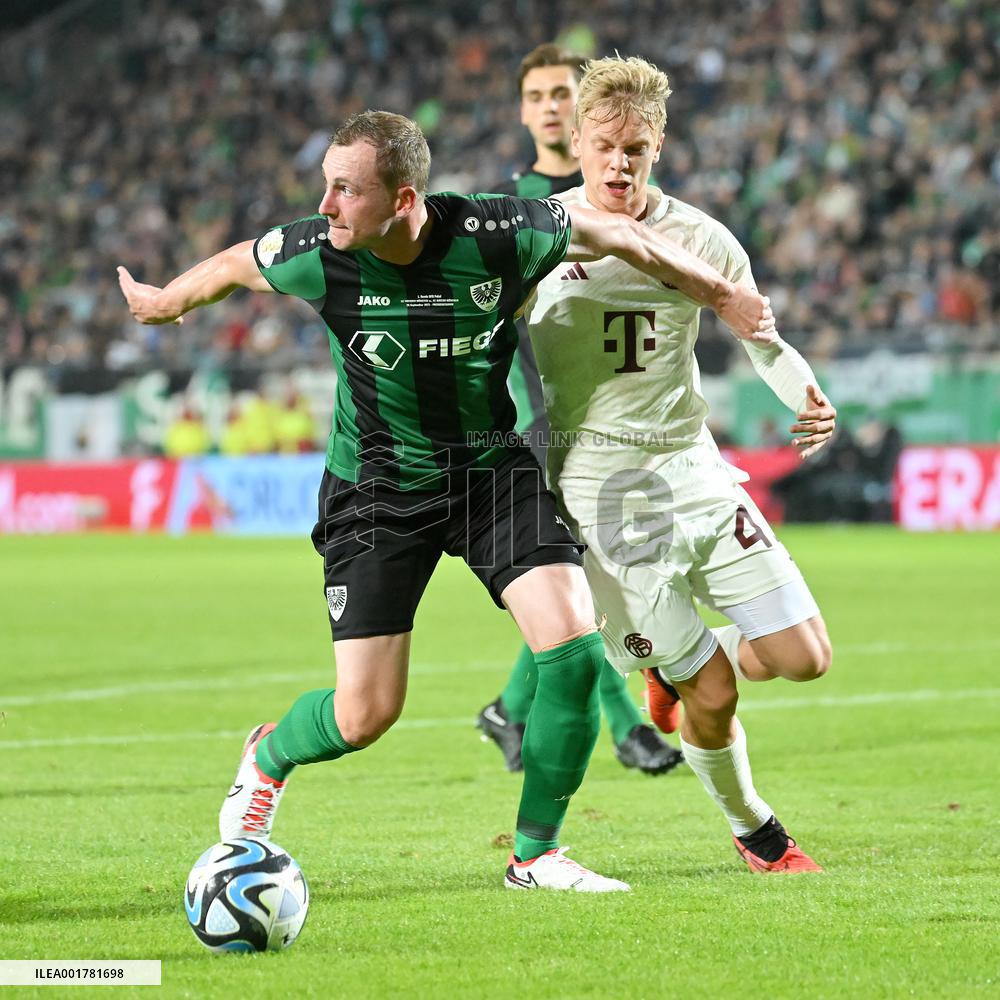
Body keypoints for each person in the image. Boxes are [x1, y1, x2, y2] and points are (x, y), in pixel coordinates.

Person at [118, 110, 776, 891]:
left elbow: (620, 238)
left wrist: (720, 295)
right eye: (325, 186)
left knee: (570, 651)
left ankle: (535, 855)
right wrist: (166, 304)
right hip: (375, 488)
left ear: (402, 199)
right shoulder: (315, 253)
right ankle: (268, 754)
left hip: (488, 473)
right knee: (366, 715)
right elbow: (233, 264)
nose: (324, 206)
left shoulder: (498, 235)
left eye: (344, 190)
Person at [520, 56, 837, 873]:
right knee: (720, 695)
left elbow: (760, 336)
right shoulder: (536, 236)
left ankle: (679, 662)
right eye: (606, 146)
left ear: (658, 146)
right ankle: (755, 829)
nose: (619, 164)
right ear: (578, 141)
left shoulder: (700, 237)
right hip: (598, 486)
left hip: (693, 468)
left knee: (806, 658)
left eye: (637, 148)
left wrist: (807, 394)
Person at [480, 43, 680, 776]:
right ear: (524, 110)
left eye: (561, 93)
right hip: (554, 420)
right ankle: (629, 726)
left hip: (635, 420)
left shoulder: (628, 194)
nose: (550, 108)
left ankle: (509, 706)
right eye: (536, 97)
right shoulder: (517, 208)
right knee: (580, 580)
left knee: (593, 580)